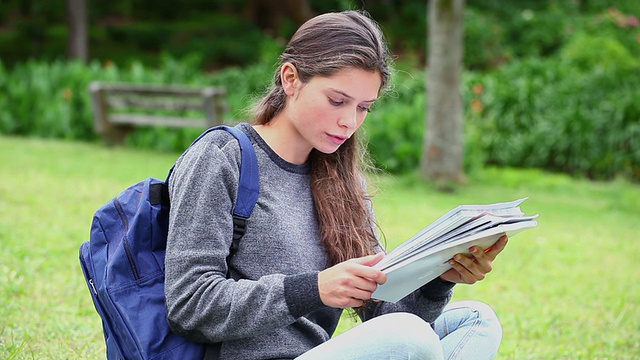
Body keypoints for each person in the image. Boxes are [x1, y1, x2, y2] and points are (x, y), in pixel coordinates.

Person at [164, 10, 506, 360]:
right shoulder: (223, 157)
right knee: (408, 337)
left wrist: (440, 278)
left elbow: (388, 318)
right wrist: (313, 289)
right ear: (290, 79)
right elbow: (190, 304)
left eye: (363, 108)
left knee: (478, 320)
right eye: (337, 101)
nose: (348, 122)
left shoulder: (342, 181)